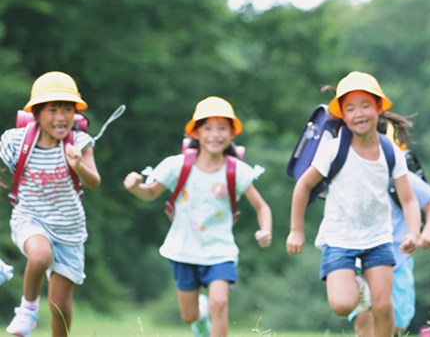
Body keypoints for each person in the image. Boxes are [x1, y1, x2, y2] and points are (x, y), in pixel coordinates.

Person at [123, 96, 272, 337]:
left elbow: (262, 207)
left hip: (220, 251)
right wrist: (135, 188)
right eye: (208, 128)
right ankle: (200, 319)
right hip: (183, 249)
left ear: (232, 134)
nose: (215, 134)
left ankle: (210, 315)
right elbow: (150, 193)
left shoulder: (237, 171)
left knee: (220, 304)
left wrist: (265, 230)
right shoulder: (177, 166)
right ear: (196, 133)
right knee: (189, 315)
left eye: (222, 128)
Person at [287, 72, 421, 337]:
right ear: (343, 116)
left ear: (379, 109)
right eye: (350, 108)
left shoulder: (391, 151)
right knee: (342, 305)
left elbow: (409, 199)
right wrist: (296, 230)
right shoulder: (334, 149)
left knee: (383, 306)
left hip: (378, 237)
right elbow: (303, 185)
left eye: (365, 105)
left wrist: (413, 232)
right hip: (339, 237)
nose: (358, 113)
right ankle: (361, 290)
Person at [0, 72, 101, 337]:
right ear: (36, 113)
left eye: (67, 109)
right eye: (52, 109)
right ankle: (28, 309)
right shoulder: (16, 141)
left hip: (69, 230)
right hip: (30, 218)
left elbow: (94, 182)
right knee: (40, 256)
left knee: (61, 307)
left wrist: (77, 165)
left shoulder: (79, 142)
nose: (60, 117)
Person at [352, 115, 430, 336]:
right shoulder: (352, 173)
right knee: (363, 315)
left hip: (397, 259)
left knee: (397, 322)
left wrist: (427, 231)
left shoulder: (399, 175)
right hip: (361, 256)